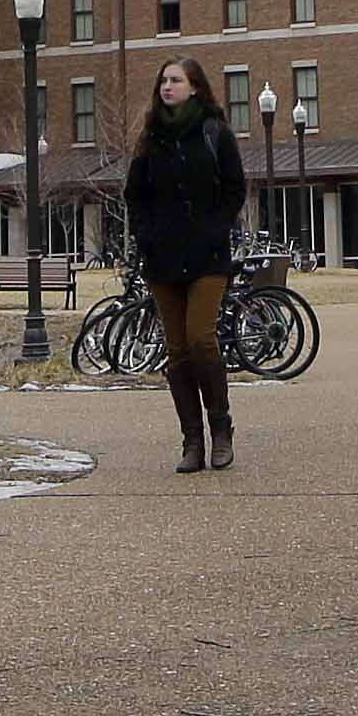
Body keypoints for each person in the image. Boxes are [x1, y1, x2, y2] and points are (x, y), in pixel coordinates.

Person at [126, 55, 248, 472]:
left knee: (201, 339)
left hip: (207, 257)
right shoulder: (150, 137)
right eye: (163, 81)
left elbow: (235, 189)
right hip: (162, 259)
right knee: (176, 350)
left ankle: (221, 430)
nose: (167, 87)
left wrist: (215, 230)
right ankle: (191, 441)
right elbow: (134, 195)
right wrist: (146, 236)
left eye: (176, 80)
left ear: (195, 86)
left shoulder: (215, 133)